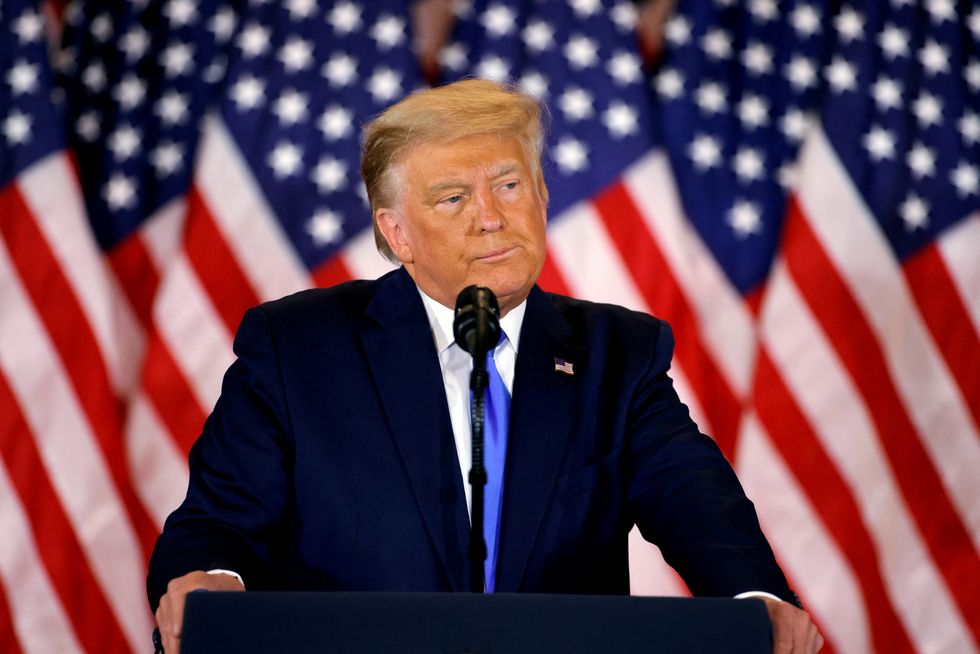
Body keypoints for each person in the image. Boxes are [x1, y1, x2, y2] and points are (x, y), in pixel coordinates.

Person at [148, 79, 822, 653]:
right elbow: (217, 522)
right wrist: (211, 578)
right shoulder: (298, 347)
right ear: (397, 232)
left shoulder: (617, 354)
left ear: (542, 197)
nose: (492, 218)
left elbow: (694, 499)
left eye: (508, 184)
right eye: (453, 198)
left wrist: (752, 598)